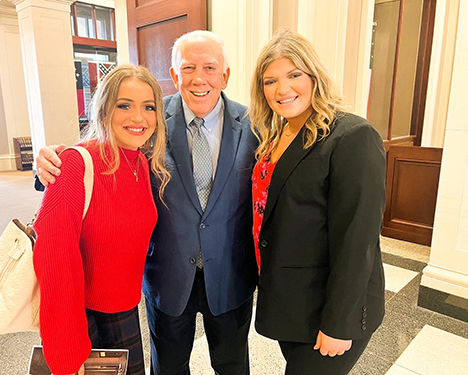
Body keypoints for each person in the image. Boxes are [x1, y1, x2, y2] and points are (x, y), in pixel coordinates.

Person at [35, 31, 258, 375]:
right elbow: (103, 152)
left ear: (225, 75)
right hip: (167, 279)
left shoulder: (255, 125)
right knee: (167, 367)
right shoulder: (151, 120)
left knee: (232, 366)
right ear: (174, 75)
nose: (199, 78)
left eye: (210, 68)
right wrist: (49, 164)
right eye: (188, 68)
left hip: (230, 277)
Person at [248, 29, 386, 374]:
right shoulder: (275, 136)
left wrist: (339, 322)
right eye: (270, 81)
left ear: (314, 76)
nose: (282, 90)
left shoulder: (351, 136)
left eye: (294, 75)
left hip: (330, 305)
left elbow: (358, 240)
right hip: (291, 299)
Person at [32, 65, 170, 375]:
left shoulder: (141, 163)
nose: (138, 118)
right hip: (84, 317)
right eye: (125, 105)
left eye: (148, 107)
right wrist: (68, 350)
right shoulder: (76, 163)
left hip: (125, 309)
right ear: (104, 110)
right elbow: (54, 260)